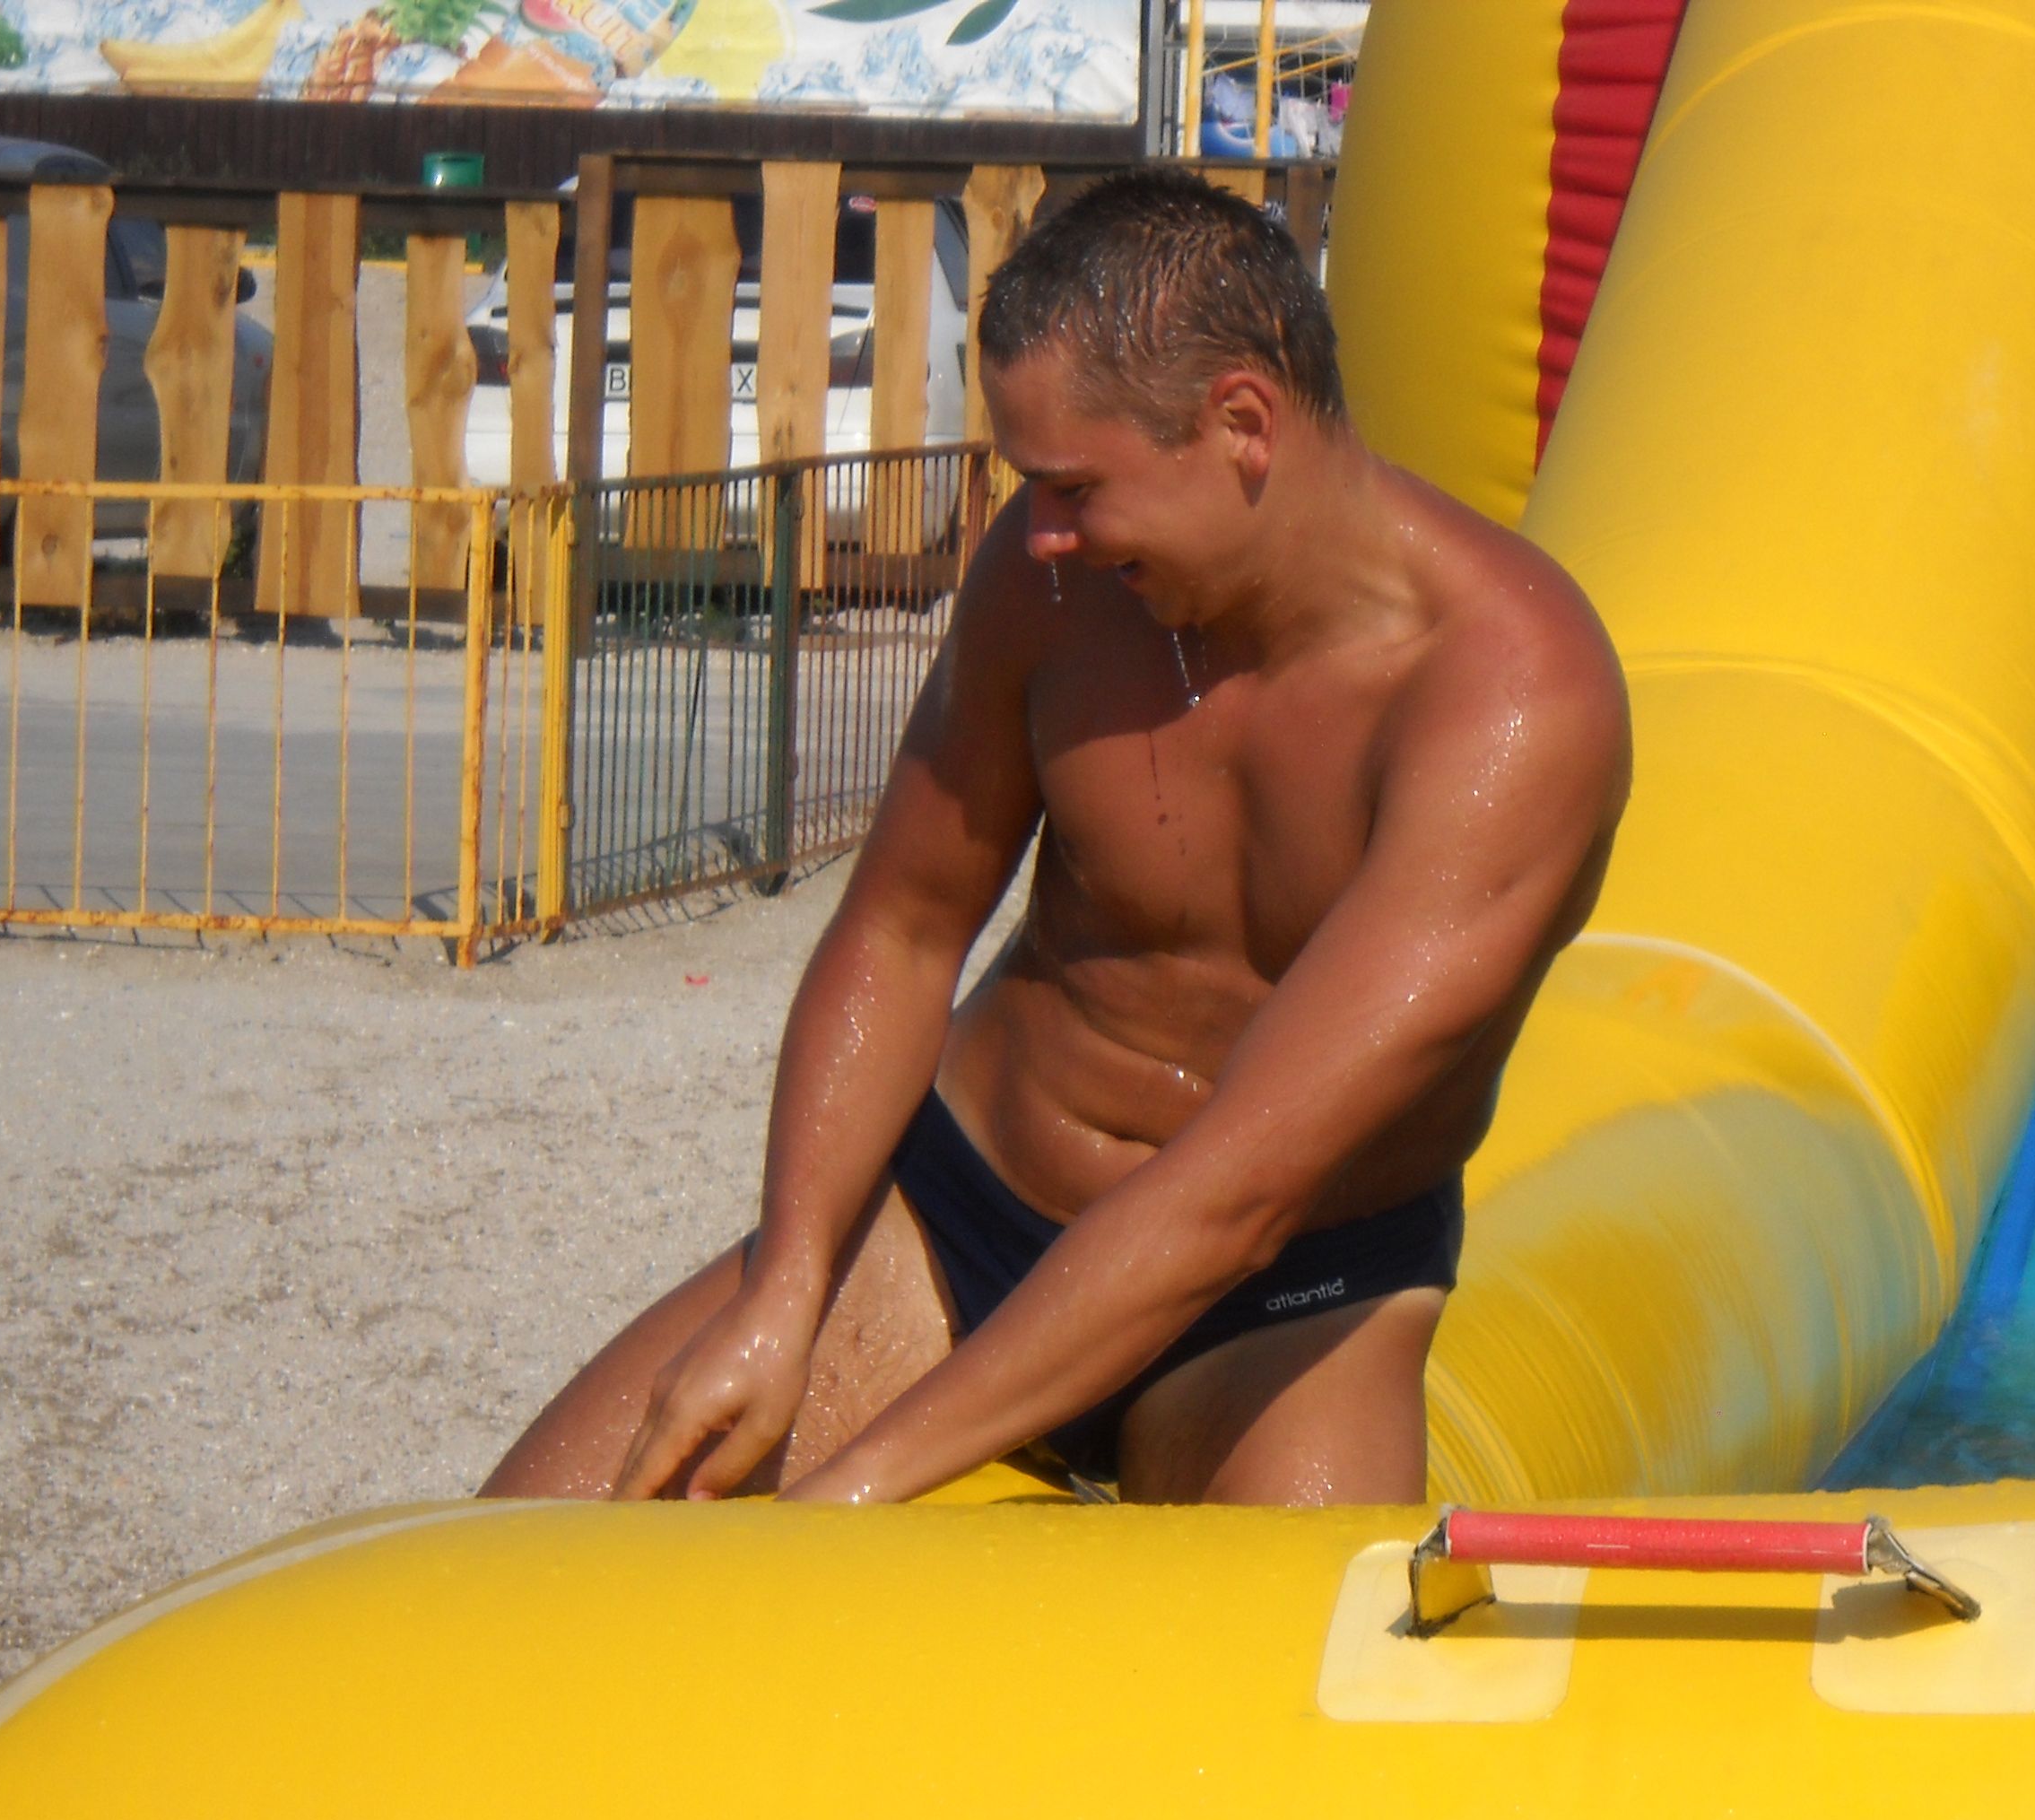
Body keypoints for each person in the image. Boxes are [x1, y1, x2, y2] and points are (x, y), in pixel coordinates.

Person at [483, 170, 1630, 1508]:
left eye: (1074, 486)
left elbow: (1238, 1194)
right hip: (964, 1221)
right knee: (527, 1552)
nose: (1038, 534)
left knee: (1292, 1641)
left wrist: (857, 1488)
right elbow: (903, 929)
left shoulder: (1512, 699)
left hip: (1288, 1290)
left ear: (1242, 425)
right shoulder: (1057, 589)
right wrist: (788, 1280)